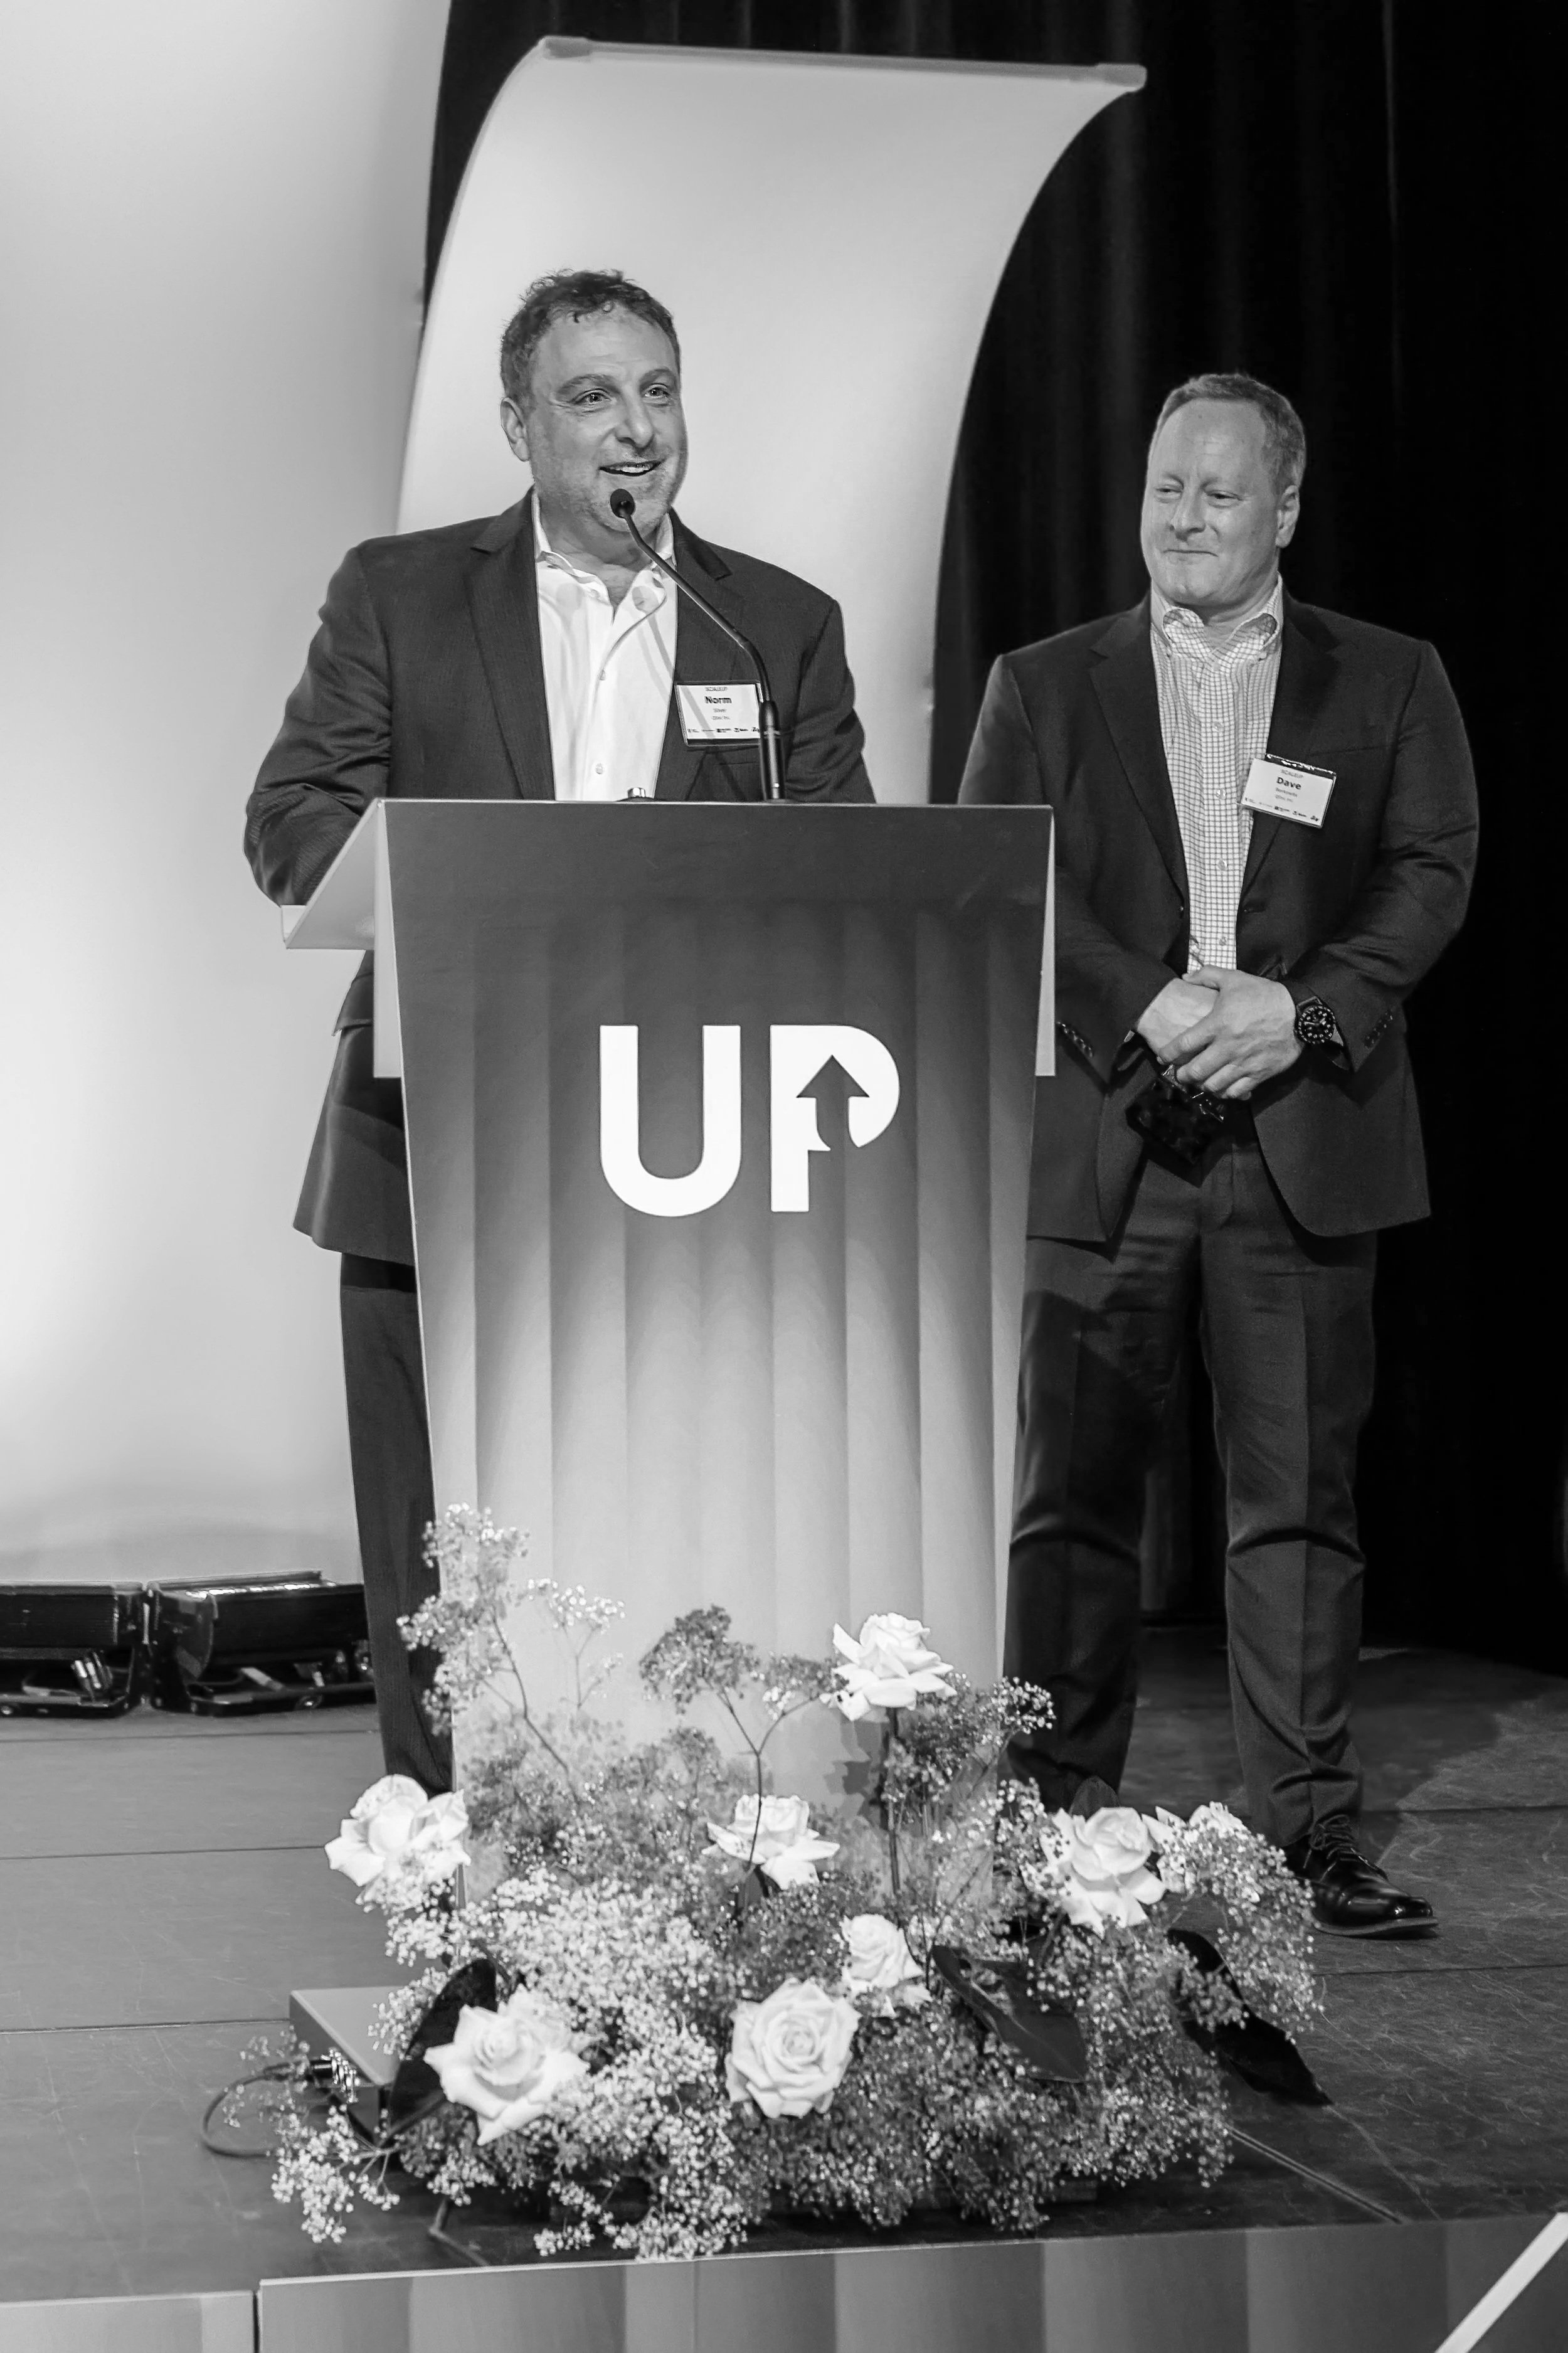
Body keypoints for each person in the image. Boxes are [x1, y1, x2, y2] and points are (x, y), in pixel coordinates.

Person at [245, 268, 873, 1792]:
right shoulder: (400, 593)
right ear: (518, 424)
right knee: (434, 1539)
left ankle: (668, 1839)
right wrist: (473, 891)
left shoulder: (770, 625)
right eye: (592, 397)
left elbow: (848, 868)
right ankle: (448, 1872)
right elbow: (291, 819)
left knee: (657, 1521)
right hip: (437, 1126)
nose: (636, 429)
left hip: (686, 1156)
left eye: (658, 392)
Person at [960, 373, 1476, 1936]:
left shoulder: (1384, 679)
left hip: (1298, 1137)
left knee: (1295, 1502)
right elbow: (1005, 878)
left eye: (1217, 493)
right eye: (1163, 488)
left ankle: (1307, 1832)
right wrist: (1164, 1008)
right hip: (1107, 1134)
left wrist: (1298, 1015)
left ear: (1285, 512)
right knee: (1071, 1502)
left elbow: (1429, 868)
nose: (1182, 517)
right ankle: (1049, 1826)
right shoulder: (1043, 682)